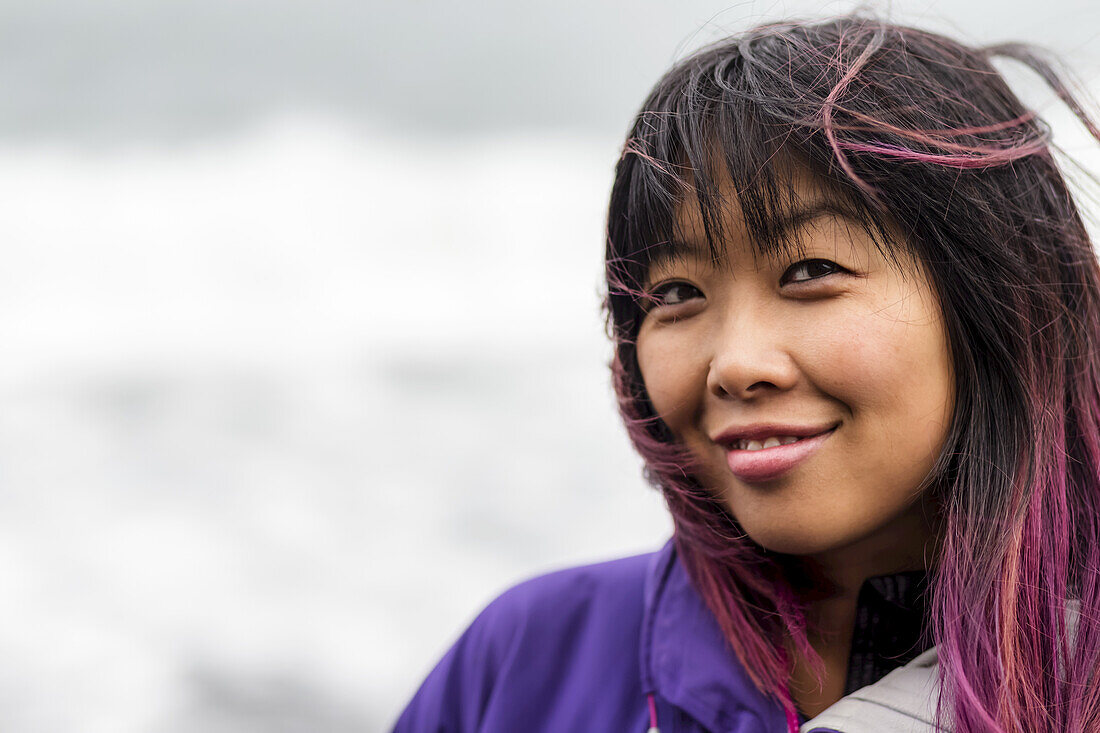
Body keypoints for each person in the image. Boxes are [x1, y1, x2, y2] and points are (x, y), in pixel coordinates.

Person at [392, 14, 1100, 733]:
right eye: (675, 294)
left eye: (811, 272)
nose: (735, 366)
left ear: (1004, 296)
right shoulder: (526, 662)